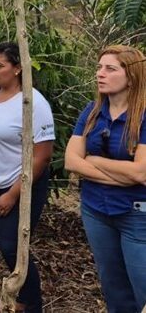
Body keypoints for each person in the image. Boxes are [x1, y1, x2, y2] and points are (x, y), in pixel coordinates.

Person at [0, 43, 55, 313]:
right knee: (8, 244)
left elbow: (41, 155)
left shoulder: (33, 102)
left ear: (18, 68)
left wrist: (13, 193)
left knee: (12, 246)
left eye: (0, 66)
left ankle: (31, 304)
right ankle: (22, 295)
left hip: (19, 185)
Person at [65, 45, 146, 313]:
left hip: (137, 215)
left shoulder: (143, 116)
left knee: (142, 287)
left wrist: (93, 161)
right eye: (99, 67)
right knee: (113, 287)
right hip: (95, 210)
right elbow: (71, 161)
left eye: (110, 69)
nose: (100, 74)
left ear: (131, 76)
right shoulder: (92, 111)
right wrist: (124, 173)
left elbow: (141, 173)